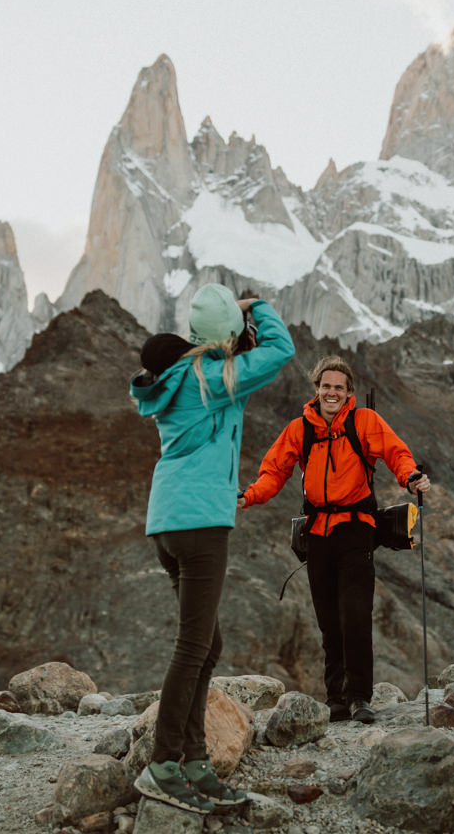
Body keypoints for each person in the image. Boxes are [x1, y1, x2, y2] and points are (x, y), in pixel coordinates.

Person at [129, 283, 295, 814]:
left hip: (168, 523)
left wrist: (226, 334)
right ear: (224, 334)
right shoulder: (213, 378)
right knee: (192, 645)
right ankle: (163, 764)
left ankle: (195, 763)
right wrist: (257, 309)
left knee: (207, 643)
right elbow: (282, 351)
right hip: (201, 522)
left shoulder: (176, 378)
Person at [239, 356, 429, 724]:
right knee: (329, 621)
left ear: (349, 393)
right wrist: (251, 495)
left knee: (355, 616)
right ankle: (335, 701)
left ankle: (359, 697)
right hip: (318, 533)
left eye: (339, 388)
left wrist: (410, 477)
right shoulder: (300, 429)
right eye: (326, 386)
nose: (332, 392)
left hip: (357, 529)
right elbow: (274, 471)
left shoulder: (365, 422)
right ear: (316, 389)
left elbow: (396, 453)